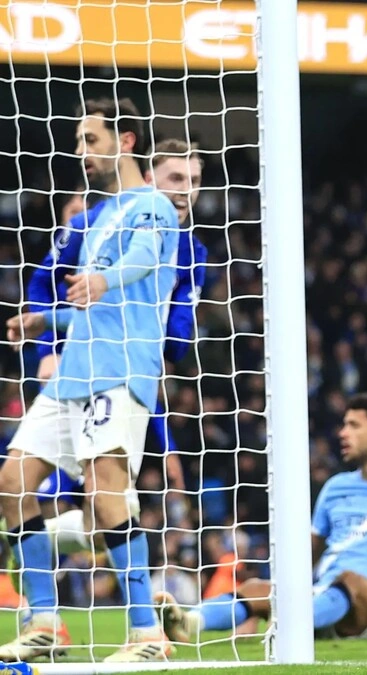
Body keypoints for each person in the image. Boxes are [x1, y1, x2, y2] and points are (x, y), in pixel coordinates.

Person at [2, 98, 180, 662]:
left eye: (90, 140)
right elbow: (88, 307)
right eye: (79, 141)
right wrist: (44, 320)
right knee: (12, 481)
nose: (82, 152)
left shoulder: (153, 205)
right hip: (73, 371)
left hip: (120, 367)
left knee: (106, 492)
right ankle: (44, 623)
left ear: (125, 141)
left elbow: (143, 259)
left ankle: (148, 634)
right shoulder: (99, 217)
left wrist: (104, 279)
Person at [155, 392, 367, 642]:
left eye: (354, 425)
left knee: (350, 579)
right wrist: (268, 599)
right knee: (258, 587)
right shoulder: (336, 487)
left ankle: (292, 625)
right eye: (344, 424)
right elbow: (309, 554)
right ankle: (191, 621)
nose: (343, 433)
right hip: (323, 599)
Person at [26, 138, 208, 557]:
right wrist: (47, 350)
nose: (185, 190)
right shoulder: (94, 222)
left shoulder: (192, 251)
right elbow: (41, 283)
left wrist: (166, 327)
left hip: (127, 373)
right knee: (46, 491)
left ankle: (34, 544)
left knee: (104, 516)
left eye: (194, 181)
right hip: (69, 367)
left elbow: (175, 337)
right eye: (175, 178)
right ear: (148, 179)